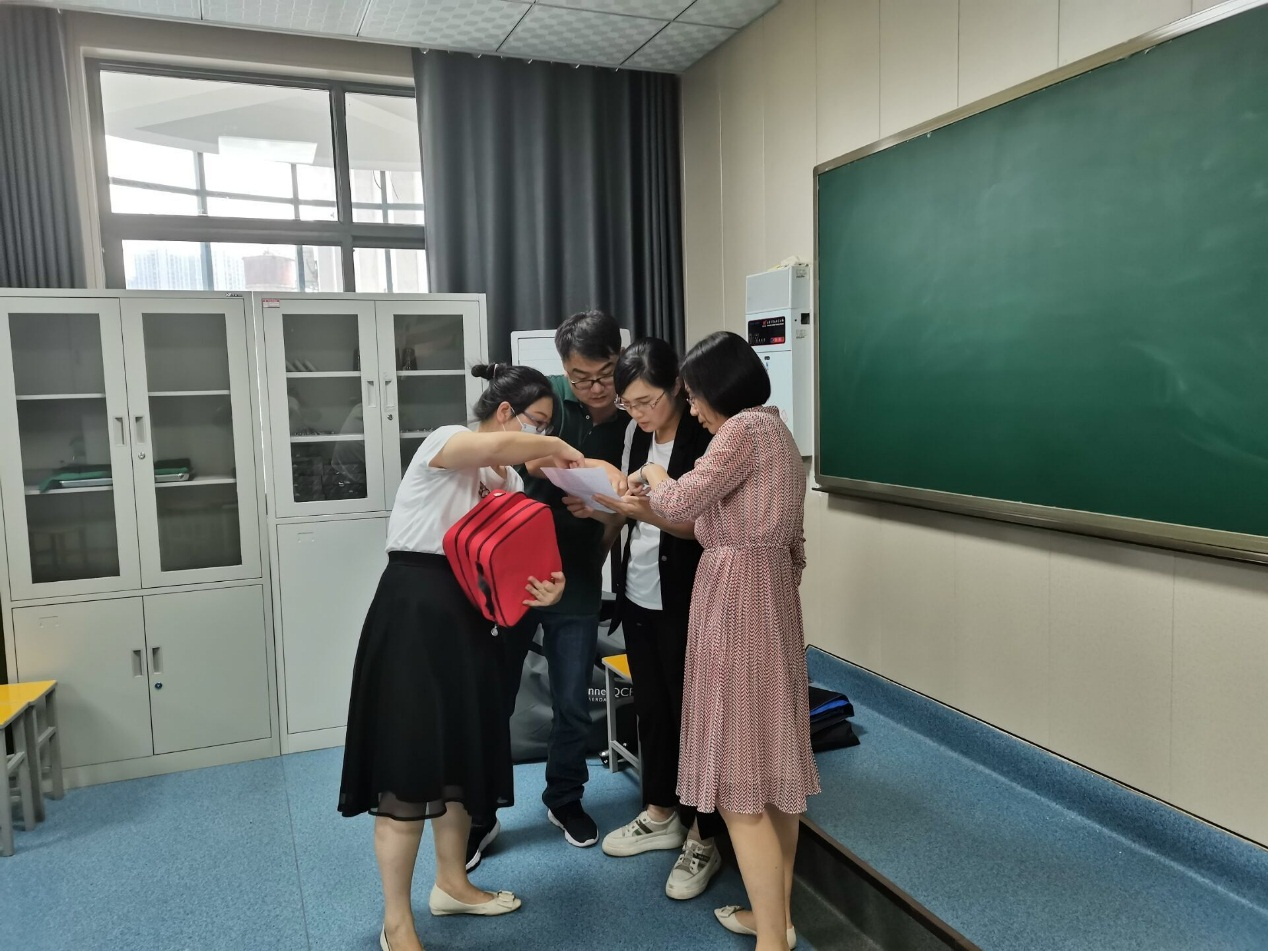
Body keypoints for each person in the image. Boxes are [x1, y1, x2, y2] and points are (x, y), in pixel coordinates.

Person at [338, 363, 582, 951]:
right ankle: (397, 922)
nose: (541, 436)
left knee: (460, 762)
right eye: (536, 422)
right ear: (506, 412)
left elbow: (515, 561)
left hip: (472, 622)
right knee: (408, 767)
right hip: (415, 615)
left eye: (547, 428)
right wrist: (554, 447)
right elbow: (494, 447)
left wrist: (545, 589)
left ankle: (451, 883)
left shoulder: (509, 483)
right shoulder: (446, 442)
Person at [629, 331, 820, 951]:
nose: (693, 410)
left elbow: (682, 498)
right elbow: (793, 546)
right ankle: (776, 921)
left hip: (736, 601)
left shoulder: (740, 430)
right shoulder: (779, 433)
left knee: (739, 781)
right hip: (772, 600)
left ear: (718, 388)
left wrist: (654, 473)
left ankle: (772, 940)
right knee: (776, 772)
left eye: (693, 396)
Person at [467, 310, 630, 866]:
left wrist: (604, 516)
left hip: (578, 577)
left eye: (604, 375)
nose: (595, 388)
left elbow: (627, 505)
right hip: (518, 570)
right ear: (564, 367)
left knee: (572, 702)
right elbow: (521, 453)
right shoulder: (550, 396)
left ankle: (565, 798)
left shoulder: (633, 412)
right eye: (581, 377)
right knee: (495, 695)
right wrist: (581, 461)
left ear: (618, 358)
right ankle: (483, 812)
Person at [582, 338, 726, 901]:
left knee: (695, 716)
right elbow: (631, 505)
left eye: (647, 401)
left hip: (689, 595)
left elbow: (705, 525)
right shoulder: (636, 435)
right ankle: (661, 810)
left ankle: (704, 834)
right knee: (652, 709)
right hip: (639, 591)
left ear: (677, 389)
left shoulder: (703, 436)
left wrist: (646, 510)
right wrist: (607, 508)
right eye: (629, 403)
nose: (639, 413)